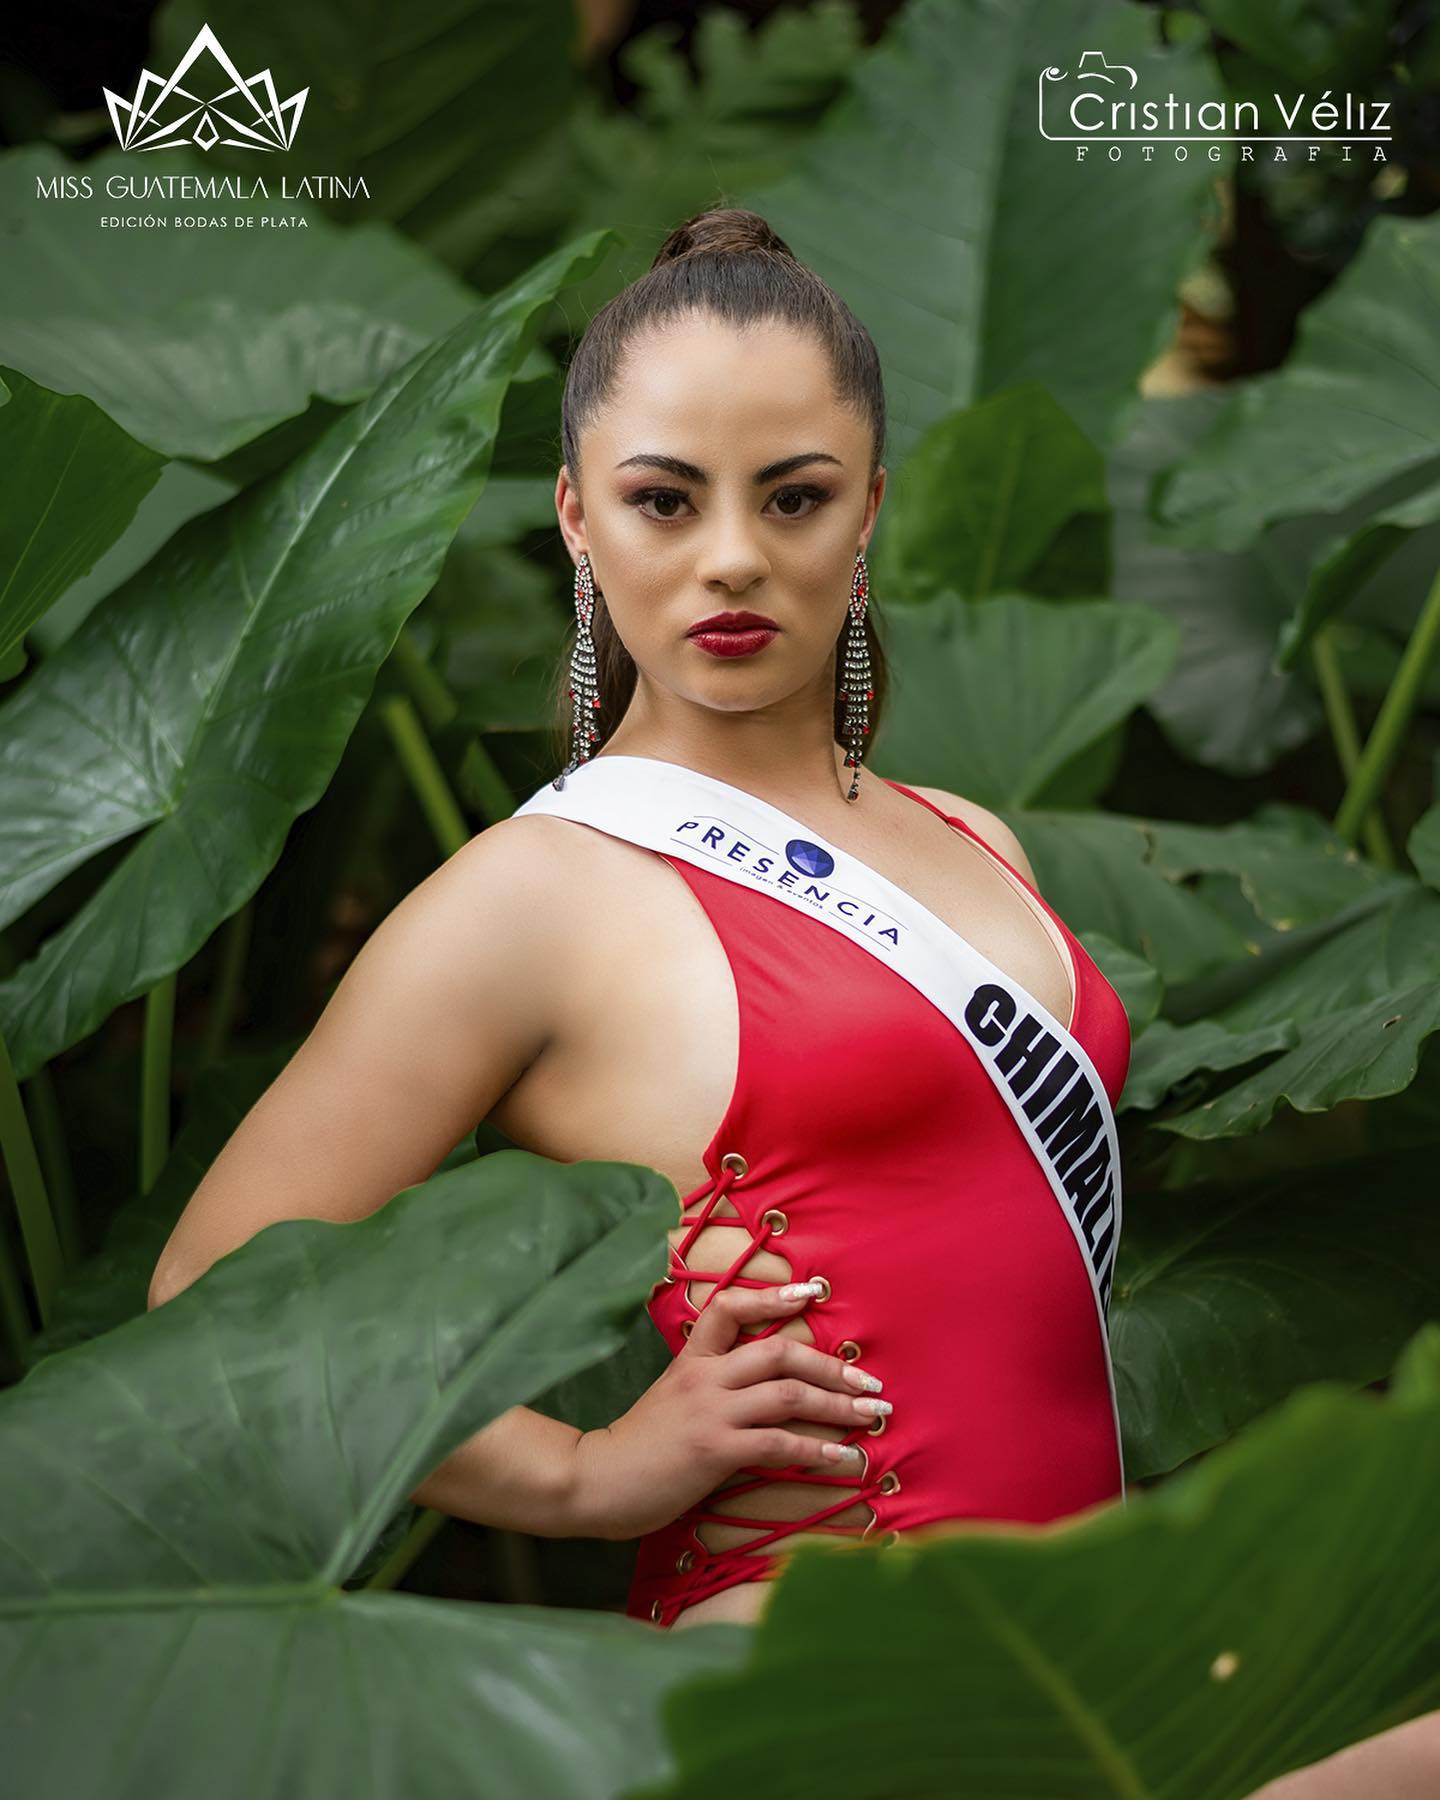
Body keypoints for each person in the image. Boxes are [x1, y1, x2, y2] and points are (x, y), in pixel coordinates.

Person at [147, 204, 1129, 1636]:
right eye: (666, 501)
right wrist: (578, 1474)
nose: (730, 557)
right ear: (575, 515)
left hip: (1095, 1637)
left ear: (868, 508)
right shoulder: (533, 896)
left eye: (792, 496)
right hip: (816, 1667)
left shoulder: (978, 839)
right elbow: (209, 1291)